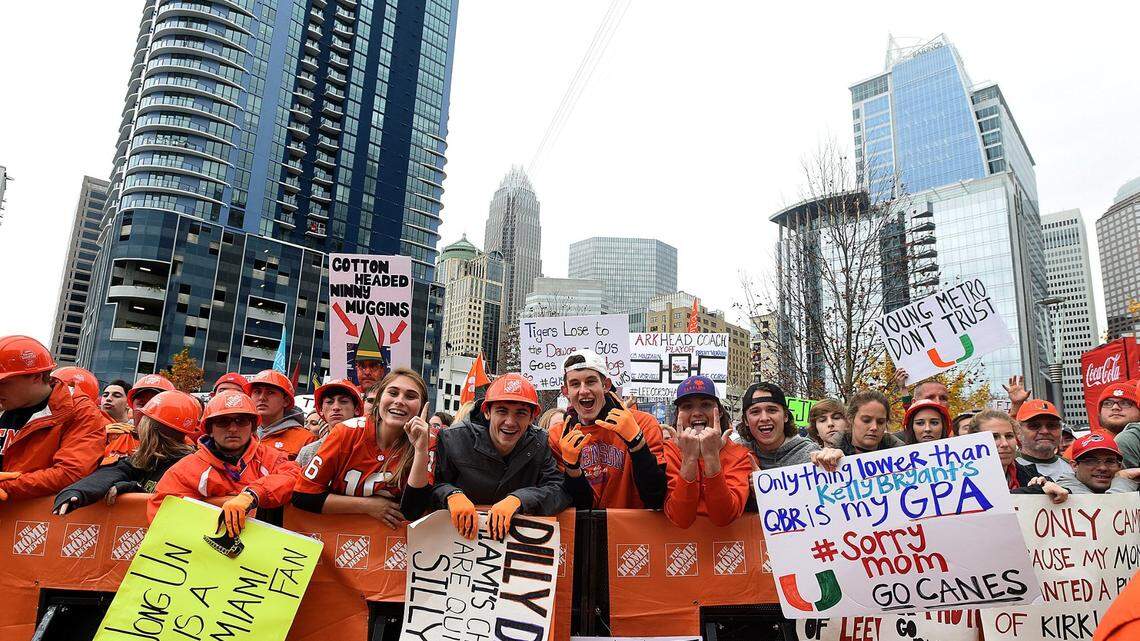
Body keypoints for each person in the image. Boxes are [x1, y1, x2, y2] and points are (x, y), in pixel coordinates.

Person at [407, 374, 570, 540]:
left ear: (531, 418)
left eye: (521, 413)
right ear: (487, 412)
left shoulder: (540, 443)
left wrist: (519, 499)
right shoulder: (452, 439)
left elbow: (559, 490)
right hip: (457, 547)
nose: (510, 422)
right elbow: (428, 487)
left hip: (514, 550)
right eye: (502, 411)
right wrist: (451, 494)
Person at [292, 369, 432, 529]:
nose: (400, 401)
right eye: (393, 393)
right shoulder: (345, 432)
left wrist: (421, 450)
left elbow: (413, 512)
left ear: (422, 407)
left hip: (389, 545)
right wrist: (368, 505)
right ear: (379, 400)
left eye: (410, 396)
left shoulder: (429, 440)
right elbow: (303, 495)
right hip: (338, 538)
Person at [150, 390, 300, 532]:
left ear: (252, 426)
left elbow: (293, 476)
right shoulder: (187, 468)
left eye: (241, 421)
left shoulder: (270, 458)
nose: (233, 428)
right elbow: (162, 511)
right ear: (210, 429)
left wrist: (252, 494)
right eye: (223, 421)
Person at [549, 350, 667, 509]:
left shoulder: (643, 423)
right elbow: (579, 506)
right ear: (566, 392)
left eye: (591, 382)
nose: (583, 390)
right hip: (584, 532)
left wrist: (638, 445)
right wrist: (572, 470)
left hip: (632, 530)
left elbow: (656, 498)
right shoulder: (558, 436)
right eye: (575, 384)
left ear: (606, 385)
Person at [53, 391, 199, 515]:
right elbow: (114, 472)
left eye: (144, 420)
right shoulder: (148, 458)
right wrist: (78, 491)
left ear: (152, 429)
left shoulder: (189, 466)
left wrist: (136, 491)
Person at [0, 336, 107, 500]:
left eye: (3, 383)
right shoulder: (9, 402)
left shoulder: (80, 411)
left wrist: (5, 486)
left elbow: (71, 472)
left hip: (31, 520)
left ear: (35, 376)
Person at [662, 376, 752, 528]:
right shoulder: (667, 451)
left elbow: (724, 517)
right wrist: (689, 459)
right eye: (687, 406)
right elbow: (680, 518)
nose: (697, 413)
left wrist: (711, 458)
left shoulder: (741, 456)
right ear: (678, 414)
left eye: (705, 405)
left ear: (720, 412)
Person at [737, 382, 839, 468]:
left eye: (772, 410)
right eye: (755, 412)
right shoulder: (736, 452)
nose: (764, 418)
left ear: (785, 416)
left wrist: (837, 463)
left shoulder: (811, 457)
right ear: (746, 420)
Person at [246, 369, 314, 459]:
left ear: (286, 401)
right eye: (257, 392)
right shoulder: (241, 433)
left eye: (270, 392)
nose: (262, 398)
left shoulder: (306, 439)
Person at [974, 410, 1047, 490]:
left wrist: (1046, 487)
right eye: (994, 437)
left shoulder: (1031, 476)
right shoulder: (960, 482)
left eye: (1009, 436)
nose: (1005, 444)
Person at [1050, 433, 1139, 496]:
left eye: (1110, 461)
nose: (1102, 468)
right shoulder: (1064, 489)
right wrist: (1123, 480)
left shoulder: (1130, 486)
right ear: (1074, 465)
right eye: (1091, 461)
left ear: (1119, 466)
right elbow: (1104, 514)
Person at [1014, 399, 1072, 478]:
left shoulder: (1072, 468)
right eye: (1034, 426)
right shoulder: (1006, 466)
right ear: (1018, 431)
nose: (1044, 431)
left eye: (1052, 425)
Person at [837, 390, 903, 455]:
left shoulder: (904, 455)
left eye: (880, 422)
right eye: (866, 420)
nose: (874, 427)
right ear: (850, 418)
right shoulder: (831, 454)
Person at [353, 319, 388, 394]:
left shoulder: (392, 399)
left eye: (374, 366)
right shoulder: (348, 395)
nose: (367, 372)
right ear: (356, 369)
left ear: (382, 371)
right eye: (362, 366)